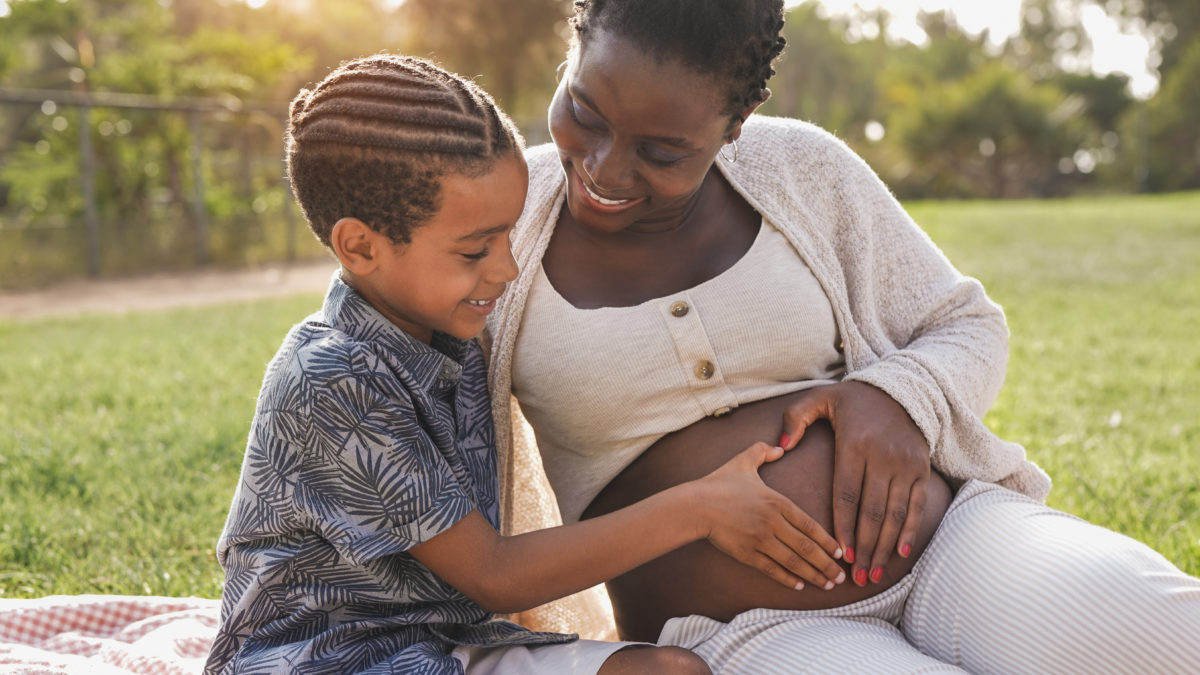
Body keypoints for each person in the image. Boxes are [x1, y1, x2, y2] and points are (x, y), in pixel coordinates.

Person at [484, 1, 1200, 671]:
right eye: (585, 112)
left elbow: (963, 323)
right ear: (572, 54)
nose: (606, 167)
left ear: (738, 120)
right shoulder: (495, 227)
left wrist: (896, 395)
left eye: (663, 151)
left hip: (952, 545)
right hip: (740, 628)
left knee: (1172, 632)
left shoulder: (800, 167)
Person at [203, 53, 854, 675]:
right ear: (360, 246)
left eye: (508, 234)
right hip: (323, 658)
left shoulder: (447, 334)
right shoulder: (333, 378)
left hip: (441, 643)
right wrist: (701, 508)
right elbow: (495, 573)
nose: (507, 268)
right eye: (472, 250)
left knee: (672, 668)